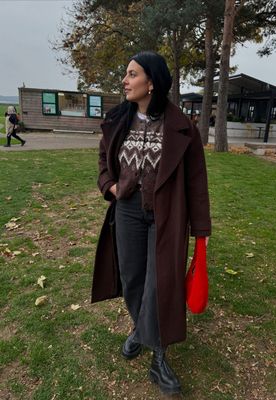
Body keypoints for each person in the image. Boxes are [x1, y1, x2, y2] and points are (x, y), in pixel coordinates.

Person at [91, 51, 211, 396]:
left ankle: (159, 355)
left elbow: (196, 182)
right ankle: (138, 329)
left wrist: (201, 230)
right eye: (126, 74)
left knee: (161, 284)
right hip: (127, 210)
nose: (125, 81)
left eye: (132, 74)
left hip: (167, 214)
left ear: (152, 83)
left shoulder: (182, 128)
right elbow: (103, 158)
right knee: (132, 278)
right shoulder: (118, 119)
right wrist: (109, 186)